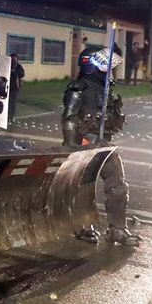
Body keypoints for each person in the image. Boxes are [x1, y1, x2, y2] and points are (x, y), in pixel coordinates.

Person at [62, 48, 140, 246]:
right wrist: (73, 147)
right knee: (83, 186)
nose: (108, 69)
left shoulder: (105, 88)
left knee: (118, 185)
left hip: (103, 142)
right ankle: (82, 225)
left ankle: (117, 229)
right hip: (85, 142)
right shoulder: (79, 87)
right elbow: (69, 119)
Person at [8, 53, 26, 120]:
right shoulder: (7, 66)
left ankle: (11, 116)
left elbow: (22, 74)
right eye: (12, 60)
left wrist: (15, 71)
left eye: (15, 60)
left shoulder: (18, 67)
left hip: (14, 88)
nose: (13, 62)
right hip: (7, 87)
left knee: (12, 103)